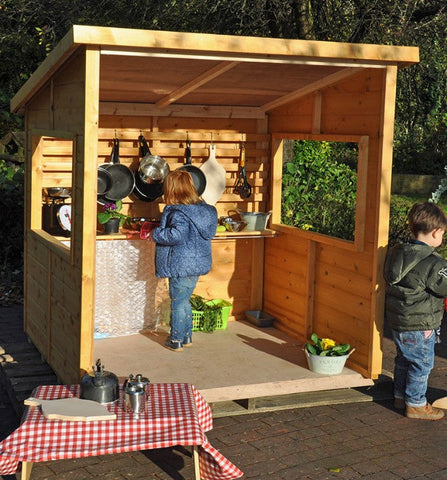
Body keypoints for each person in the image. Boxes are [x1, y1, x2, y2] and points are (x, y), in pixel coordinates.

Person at [384, 201, 447, 420]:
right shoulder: (434, 263)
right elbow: (444, 286)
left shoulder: (396, 252)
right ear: (436, 232)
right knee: (422, 364)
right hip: (421, 324)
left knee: (403, 359)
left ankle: (400, 396)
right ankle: (416, 403)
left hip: (399, 320)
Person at [150, 170, 217, 351]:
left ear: (171, 190)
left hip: (180, 264)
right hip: (196, 264)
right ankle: (187, 336)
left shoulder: (179, 212)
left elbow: (176, 235)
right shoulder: (204, 211)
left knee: (178, 302)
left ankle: (176, 339)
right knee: (184, 300)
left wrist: (154, 233)